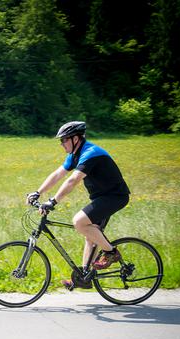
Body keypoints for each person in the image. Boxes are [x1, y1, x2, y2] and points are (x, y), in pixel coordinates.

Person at [26, 121, 130, 289]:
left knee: (79, 222)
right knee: (91, 235)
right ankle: (83, 277)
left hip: (114, 196)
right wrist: (38, 192)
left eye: (64, 140)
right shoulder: (75, 154)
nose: (61, 144)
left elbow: (73, 180)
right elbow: (58, 174)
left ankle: (111, 253)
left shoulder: (91, 153)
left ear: (76, 138)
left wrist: (53, 201)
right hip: (102, 197)